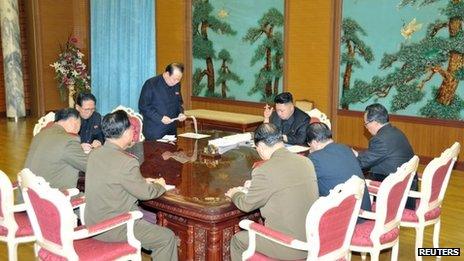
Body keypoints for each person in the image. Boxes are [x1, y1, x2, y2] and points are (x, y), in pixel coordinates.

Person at [84, 110, 178, 261]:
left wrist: (140, 180)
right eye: (132, 129)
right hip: (114, 226)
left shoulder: (95, 153)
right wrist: (159, 185)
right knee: (166, 238)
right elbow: (145, 194)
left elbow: (114, 179)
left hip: (92, 221)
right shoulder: (127, 162)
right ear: (126, 132)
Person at [226, 123, 318, 260]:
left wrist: (235, 194)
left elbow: (246, 205)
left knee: (237, 241)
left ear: (261, 147)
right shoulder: (306, 162)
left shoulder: (264, 170)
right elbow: (285, 183)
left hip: (288, 246)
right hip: (313, 241)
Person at [354, 103, 417, 209]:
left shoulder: (380, 139)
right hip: (406, 188)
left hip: (395, 196)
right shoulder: (395, 132)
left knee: (354, 185)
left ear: (374, 122)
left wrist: (347, 158)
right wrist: (358, 154)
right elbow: (378, 154)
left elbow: (361, 164)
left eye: (366, 124)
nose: (366, 127)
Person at [306, 122, 371, 219]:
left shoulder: (315, 158)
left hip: (342, 220)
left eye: (309, 144)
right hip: (363, 210)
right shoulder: (346, 148)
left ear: (314, 143)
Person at [25, 108, 87, 190]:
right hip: (52, 197)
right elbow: (88, 165)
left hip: (29, 193)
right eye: (80, 124)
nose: (79, 129)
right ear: (74, 122)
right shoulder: (69, 140)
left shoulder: (39, 135)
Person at [138, 63, 187, 140]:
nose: (176, 82)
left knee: (172, 151)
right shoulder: (151, 83)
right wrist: (160, 118)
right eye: (174, 79)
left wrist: (180, 113)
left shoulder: (177, 84)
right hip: (155, 130)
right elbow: (143, 106)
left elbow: (178, 102)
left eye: (179, 80)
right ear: (167, 74)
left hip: (171, 130)